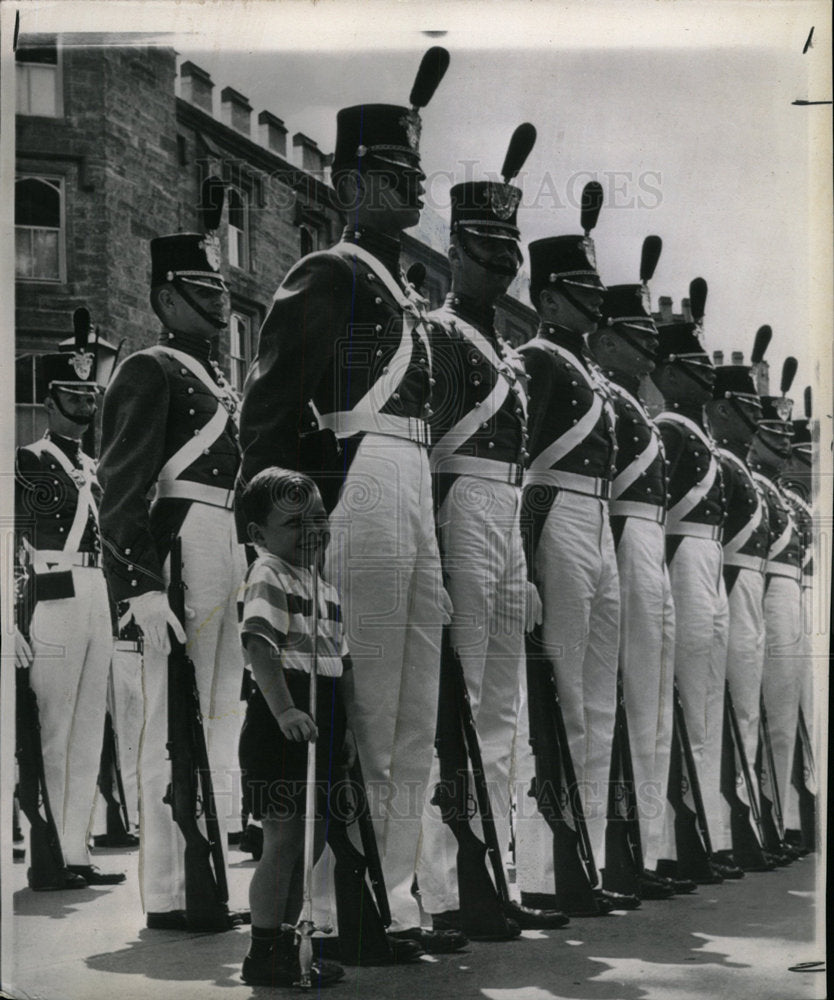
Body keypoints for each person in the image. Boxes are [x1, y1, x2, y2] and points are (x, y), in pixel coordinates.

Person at [238, 49, 463, 954]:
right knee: (360, 699)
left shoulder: (409, 293)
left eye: (413, 175)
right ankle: (338, 906)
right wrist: (280, 535)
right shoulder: (327, 272)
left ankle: (398, 895)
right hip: (358, 479)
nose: (408, 190)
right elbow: (270, 404)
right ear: (348, 181)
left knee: (413, 706)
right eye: (389, 174)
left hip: (409, 486)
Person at [416, 129, 566, 934]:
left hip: (503, 515)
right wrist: (435, 550)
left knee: (501, 706)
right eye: (485, 248)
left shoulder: (505, 352)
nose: (501, 263)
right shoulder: (438, 334)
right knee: (462, 700)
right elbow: (432, 450)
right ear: (454, 249)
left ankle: (497, 876)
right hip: (461, 509)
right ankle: (448, 888)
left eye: (509, 249)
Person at [97, 195, 247, 930]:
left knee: (220, 717)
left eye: (221, 290)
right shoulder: (149, 369)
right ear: (166, 297)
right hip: (180, 546)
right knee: (167, 725)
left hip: (226, 546)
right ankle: (169, 888)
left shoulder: (221, 382)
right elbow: (120, 488)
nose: (219, 303)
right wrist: (140, 587)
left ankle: (209, 878)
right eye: (204, 290)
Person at [514, 188, 636, 916]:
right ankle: (544, 867)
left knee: (596, 700)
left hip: (594, 523)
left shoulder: (590, 371)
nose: (594, 306)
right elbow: (523, 463)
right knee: (555, 697)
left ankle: (585, 861)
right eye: (581, 293)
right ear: (548, 299)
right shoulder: (533, 358)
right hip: (554, 508)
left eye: (596, 291)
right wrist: (524, 556)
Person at [15, 320, 125, 890]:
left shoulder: (93, 468)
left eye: (91, 394)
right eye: (74, 393)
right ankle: (48, 854)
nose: (84, 401)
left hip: (96, 592)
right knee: (52, 728)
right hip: (51, 592)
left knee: (89, 728)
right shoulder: (27, 460)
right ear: (50, 398)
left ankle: (77, 850)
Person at [588, 274, 681, 900]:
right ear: (606, 337)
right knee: (614, 706)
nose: (648, 351)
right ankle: (609, 855)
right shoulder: (603, 397)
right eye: (636, 337)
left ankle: (647, 849)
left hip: (640, 549)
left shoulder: (635, 408)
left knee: (651, 709)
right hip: (613, 540)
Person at [236, 468, 347, 988]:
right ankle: (264, 950)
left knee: (312, 838)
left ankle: (289, 946)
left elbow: (338, 665)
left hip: (317, 716)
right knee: (282, 842)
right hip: (280, 719)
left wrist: (341, 729)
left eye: (319, 518)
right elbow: (260, 647)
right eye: (294, 522)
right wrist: (283, 712)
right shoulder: (268, 574)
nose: (311, 531)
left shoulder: (323, 585)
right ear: (259, 534)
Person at [650, 301, 738, 883]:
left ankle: (707, 835)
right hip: (679, 558)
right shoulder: (670, 431)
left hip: (705, 564)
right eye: (693, 365)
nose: (706, 376)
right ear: (669, 372)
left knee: (704, 703)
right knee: (680, 702)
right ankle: (680, 839)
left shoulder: (697, 435)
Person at [704, 358, 773, 871]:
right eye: (746, 407)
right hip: (717, 585)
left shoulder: (737, 467)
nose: (755, 419)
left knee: (744, 714)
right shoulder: (719, 462)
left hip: (745, 592)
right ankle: (721, 831)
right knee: (719, 715)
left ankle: (743, 828)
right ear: (723, 410)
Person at [747, 366, 803, 860]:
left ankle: (781, 820)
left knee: (783, 719)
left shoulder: (783, 497)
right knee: (755, 716)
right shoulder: (752, 485)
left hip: (783, 600)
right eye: (773, 433)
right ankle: (754, 824)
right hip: (754, 598)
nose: (784, 444)